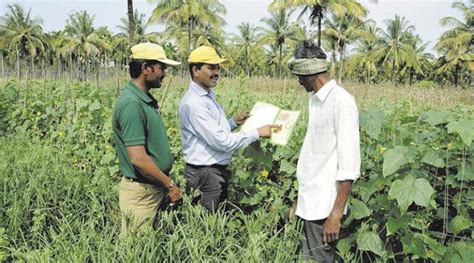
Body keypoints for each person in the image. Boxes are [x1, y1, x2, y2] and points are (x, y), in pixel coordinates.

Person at [179, 45, 279, 213]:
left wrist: (233, 122)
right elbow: (221, 142)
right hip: (205, 175)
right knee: (208, 228)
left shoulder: (207, 95)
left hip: (212, 173)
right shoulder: (195, 103)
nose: (217, 72)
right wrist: (257, 132)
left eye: (218, 67)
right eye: (211, 67)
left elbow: (211, 131)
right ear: (195, 70)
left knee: (216, 224)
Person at [288, 40, 361, 262]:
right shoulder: (316, 101)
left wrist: (336, 214)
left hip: (324, 208)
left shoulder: (341, 101)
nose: (298, 82)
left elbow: (349, 165)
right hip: (311, 203)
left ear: (308, 73)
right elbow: (316, 159)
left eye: (299, 76)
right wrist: (300, 200)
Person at [112, 42, 183, 236]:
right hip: (141, 195)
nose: (165, 73)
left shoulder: (143, 100)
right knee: (137, 251)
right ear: (146, 68)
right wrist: (169, 184)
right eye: (162, 68)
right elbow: (138, 159)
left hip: (152, 188)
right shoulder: (131, 104)